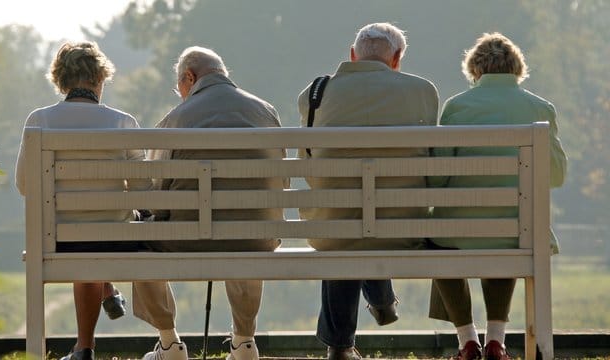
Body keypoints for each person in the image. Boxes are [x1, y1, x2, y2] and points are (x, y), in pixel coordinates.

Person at [132, 46, 286, 360]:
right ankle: (244, 343)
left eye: (180, 89)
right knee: (249, 226)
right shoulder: (265, 111)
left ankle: (168, 343)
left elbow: (154, 197)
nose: (180, 96)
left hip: (187, 239)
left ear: (189, 77)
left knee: (135, 236)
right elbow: (280, 185)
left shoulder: (176, 119)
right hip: (257, 238)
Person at [297, 23, 439, 359]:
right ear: (397, 59)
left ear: (352, 55)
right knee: (370, 212)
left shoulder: (314, 93)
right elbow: (432, 159)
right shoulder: (423, 91)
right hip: (403, 228)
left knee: (343, 220)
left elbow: (307, 160)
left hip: (333, 227)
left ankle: (341, 346)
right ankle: (381, 298)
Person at [427, 33, 567, 360]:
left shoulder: (457, 107)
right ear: (517, 69)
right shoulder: (541, 108)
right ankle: (496, 341)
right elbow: (557, 176)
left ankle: (467, 341)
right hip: (516, 231)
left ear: (475, 70)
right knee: (510, 230)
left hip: (457, 234)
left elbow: (436, 177)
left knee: (437, 238)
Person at [15, 41, 150, 360]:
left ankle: (84, 347)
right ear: (100, 78)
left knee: (84, 236)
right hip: (114, 239)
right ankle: (102, 304)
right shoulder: (122, 121)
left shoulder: (40, 119)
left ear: (60, 80)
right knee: (100, 233)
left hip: (59, 238)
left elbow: (24, 186)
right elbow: (146, 190)